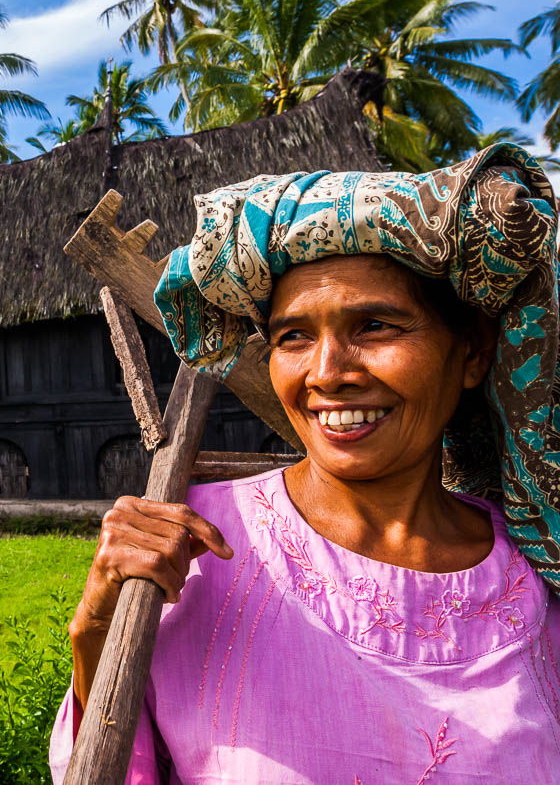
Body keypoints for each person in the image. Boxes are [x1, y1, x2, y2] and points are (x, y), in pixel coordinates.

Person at [50, 143, 560, 782]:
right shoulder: (189, 551)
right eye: (293, 336)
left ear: (472, 354)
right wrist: (97, 627)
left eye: (375, 326)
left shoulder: (536, 577)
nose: (326, 374)